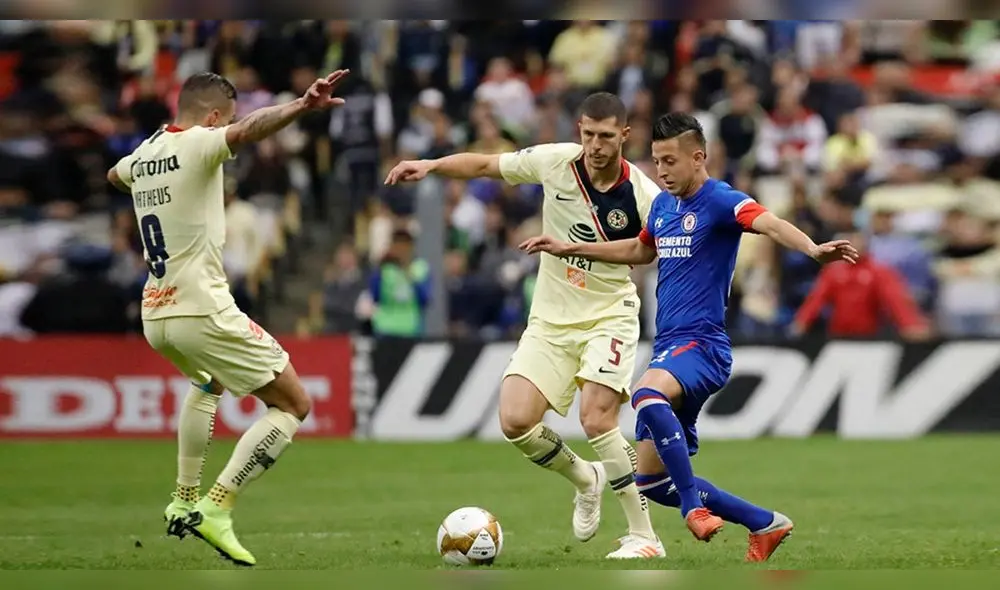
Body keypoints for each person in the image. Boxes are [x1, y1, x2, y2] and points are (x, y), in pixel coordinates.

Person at [519, 112, 858, 562]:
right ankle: (765, 523)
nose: (661, 172)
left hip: (702, 345)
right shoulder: (662, 206)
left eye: (670, 162)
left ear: (698, 158)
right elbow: (640, 250)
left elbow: (769, 222)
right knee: (652, 482)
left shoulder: (721, 201)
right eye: (656, 162)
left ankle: (694, 508)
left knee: (646, 394)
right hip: (669, 347)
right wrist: (571, 247)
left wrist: (813, 248)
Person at [385, 92, 665, 559]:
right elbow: (484, 166)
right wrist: (431, 165)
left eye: (606, 136)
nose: (596, 145)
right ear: (579, 129)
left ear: (625, 135)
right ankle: (586, 477)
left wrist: (568, 249)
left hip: (609, 314)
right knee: (515, 421)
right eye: (589, 134)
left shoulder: (641, 192)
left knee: (596, 418)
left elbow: (646, 251)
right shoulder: (555, 162)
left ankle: (644, 536)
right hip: (551, 320)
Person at [106, 69, 351, 567]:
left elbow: (115, 175)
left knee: (208, 382)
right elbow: (250, 129)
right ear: (213, 116)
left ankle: (183, 497)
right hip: (203, 306)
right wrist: (301, 106)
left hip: (156, 313)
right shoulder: (199, 143)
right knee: (293, 405)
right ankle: (217, 507)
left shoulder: (146, 153)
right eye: (226, 121)